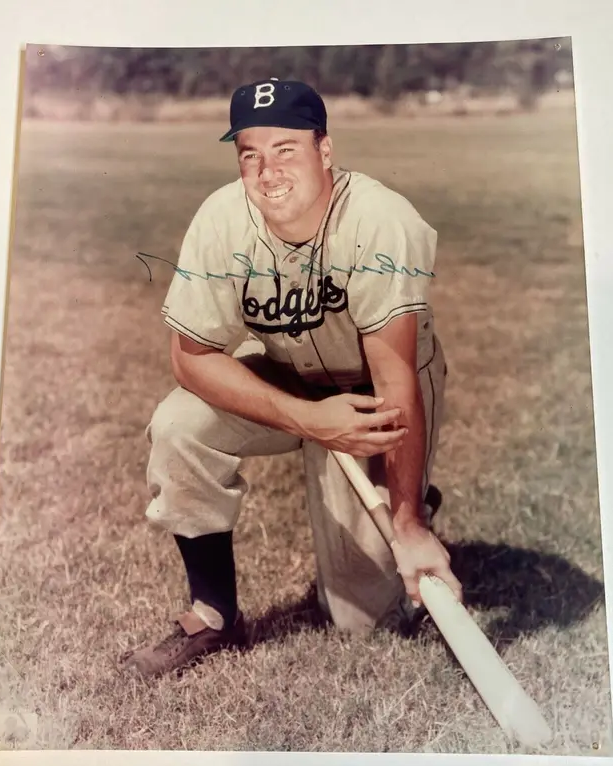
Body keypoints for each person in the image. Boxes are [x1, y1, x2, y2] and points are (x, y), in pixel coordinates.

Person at [120, 78, 463, 678]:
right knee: (178, 426)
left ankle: (412, 504)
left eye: (285, 150)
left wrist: (404, 524)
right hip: (285, 373)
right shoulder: (222, 219)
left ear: (324, 151)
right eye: (249, 153)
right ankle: (214, 615)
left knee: (366, 622)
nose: (266, 171)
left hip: (375, 391)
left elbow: (394, 381)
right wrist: (308, 420)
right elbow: (190, 358)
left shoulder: (381, 221)